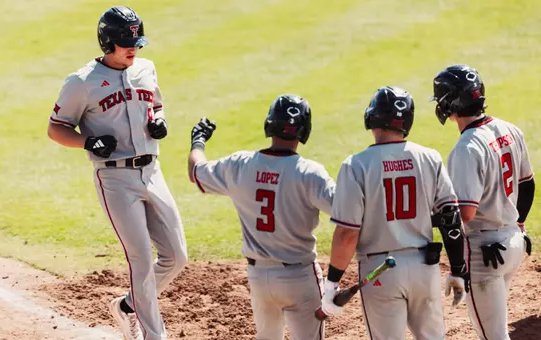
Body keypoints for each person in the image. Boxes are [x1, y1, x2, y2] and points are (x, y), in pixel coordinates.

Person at [47, 6, 187, 340]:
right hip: (115, 180)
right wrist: (87, 142)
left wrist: (158, 120)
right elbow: (56, 128)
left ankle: (126, 306)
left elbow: (155, 103)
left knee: (177, 256)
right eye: (126, 42)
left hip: (153, 172)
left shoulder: (146, 69)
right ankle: (155, 335)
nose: (134, 48)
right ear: (107, 42)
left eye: (137, 41)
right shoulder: (81, 82)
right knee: (140, 259)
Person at [321, 86, 470, 340]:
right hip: (425, 269)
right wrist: (458, 269)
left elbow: (347, 234)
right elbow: (451, 218)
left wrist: (331, 284)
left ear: (372, 117)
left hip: (381, 272)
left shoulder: (356, 165)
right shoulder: (429, 158)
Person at [187, 94, 335, 340]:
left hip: (259, 278)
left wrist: (198, 141)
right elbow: (348, 213)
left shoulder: (240, 165)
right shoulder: (310, 173)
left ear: (270, 124)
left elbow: (195, 172)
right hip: (299, 277)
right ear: (304, 130)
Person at [431, 64, 535, 340]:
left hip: (484, 254)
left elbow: (464, 213)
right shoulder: (509, 129)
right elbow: (528, 185)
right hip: (512, 244)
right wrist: (519, 226)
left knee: (494, 336)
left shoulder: (467, 148)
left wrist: (427, 217)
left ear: (449, 103)